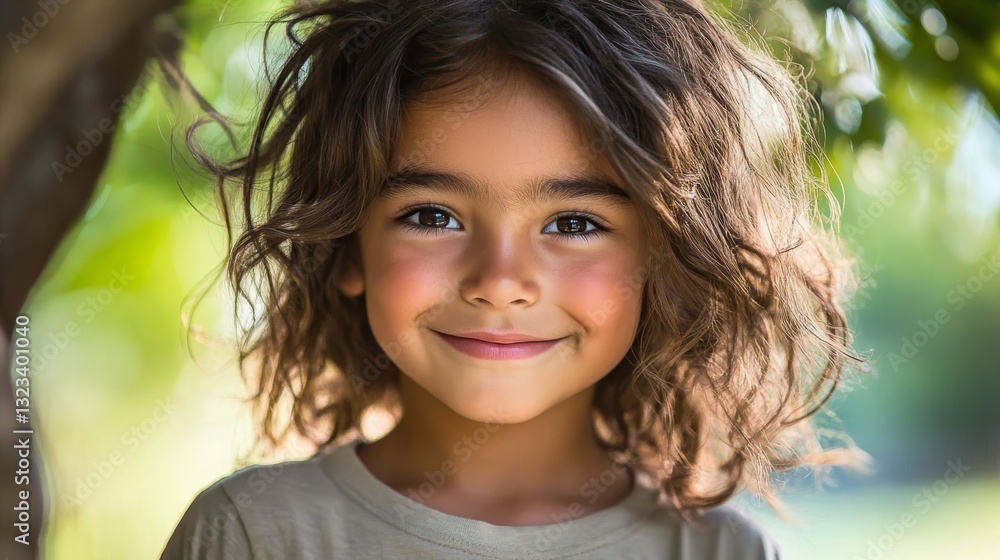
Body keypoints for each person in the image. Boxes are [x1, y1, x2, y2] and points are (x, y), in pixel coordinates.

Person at [160, 0, 871, 558]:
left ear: (665, 260)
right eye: (432, 216)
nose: (500, 282)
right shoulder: (251, 535)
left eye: (574, 224)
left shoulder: (721, 553)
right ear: (345, 248)